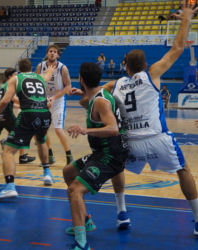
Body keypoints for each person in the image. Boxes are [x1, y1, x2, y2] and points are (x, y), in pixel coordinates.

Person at [76, 0, 198, 238]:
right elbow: (178, 48)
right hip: (156, 137)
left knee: (117, 166)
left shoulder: (116, 84)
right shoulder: (152, 74)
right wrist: (186, 18)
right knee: (183, 169)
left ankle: (122, 212)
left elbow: (90, 97)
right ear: (144, 65)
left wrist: (81, 95)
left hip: (128, 141)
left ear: (125, 66)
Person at [64, 62, 128, 250]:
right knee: (68, 172)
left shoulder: (100, 101)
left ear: (81, 80)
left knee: (75, 190)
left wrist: (85, 130)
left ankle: (82, 244)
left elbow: (113, 129)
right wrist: (81, 93)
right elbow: (87, 99)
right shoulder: (102, 90)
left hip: (111, 155)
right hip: (101, 152)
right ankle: (85, 221)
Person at [0, 59, 55, 201]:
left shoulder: (16, 78)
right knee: (41, 141)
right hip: (45, 113)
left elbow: (4, 101)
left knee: (8, 152)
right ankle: (47, 173)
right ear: (32, 68)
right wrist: (51, 69)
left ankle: (10, 187)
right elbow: (48, 76)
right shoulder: (40, 77)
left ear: (19, 69)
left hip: (28, 113)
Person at [36, 44, 74, 165]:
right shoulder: (40, 66)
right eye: (50, 51)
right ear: (47, 53)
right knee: (43, 129)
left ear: (57, 55)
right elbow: (37, 83)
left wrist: (54, 97)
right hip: (44, 100)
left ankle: (69, 155)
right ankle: (50, 154)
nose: (52, 53)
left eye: (54, 52)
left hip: (58, 100)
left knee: (58, 130)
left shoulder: (63, 68)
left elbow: (68, 86)